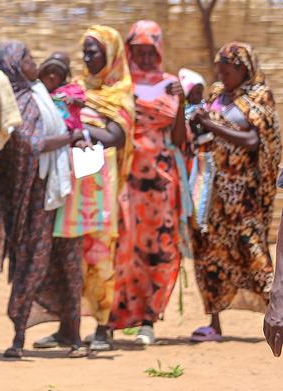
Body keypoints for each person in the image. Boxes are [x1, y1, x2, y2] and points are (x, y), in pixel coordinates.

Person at [0, 40, 85, 358]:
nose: (34, 62)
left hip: (56, 191)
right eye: (28, 57)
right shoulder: (11, 101)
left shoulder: (38, 94)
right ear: (15, 65)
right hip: (31, 198)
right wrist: (69, 139)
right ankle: (17, 336)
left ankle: (72, 333)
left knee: (69, 260)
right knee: (32, 261)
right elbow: (31, 144)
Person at [191, 42, 283, 342]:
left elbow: (256, 141)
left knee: (254, 253)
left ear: (243, 68)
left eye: (227, 68)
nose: (221, 73)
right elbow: (205, 127)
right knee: (211, 253)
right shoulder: (218, 95)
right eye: (219, 68)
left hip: (244, 193)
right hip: (214, 190)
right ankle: (214, 324)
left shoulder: (259, 97)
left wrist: (211, 126)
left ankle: (277, 314)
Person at [51, 26, 134, 352]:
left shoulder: (121, 93)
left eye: (93, 51)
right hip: (71, 185)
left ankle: (102, 327)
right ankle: (66, 327)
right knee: (69, 256)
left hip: (100, 187)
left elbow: (116, 136)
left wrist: (76, 129)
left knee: (99, 255)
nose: (87, 57)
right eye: (84, 50)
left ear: (111, 55)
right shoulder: (76, 89)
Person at [110, 20, 189, 345]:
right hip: (124, 177)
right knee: (121, 246)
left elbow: (180, 138)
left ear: (158, 50)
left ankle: (148, 320)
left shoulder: (170, 84)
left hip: (160, 181)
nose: (143, 57)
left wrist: (182, 103)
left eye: (149, 50)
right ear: (129, 50)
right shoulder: (119, 85)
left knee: (156, 247)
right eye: (137, 50)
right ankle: (111, 317)